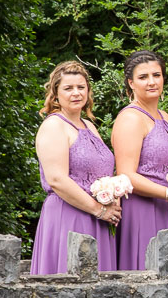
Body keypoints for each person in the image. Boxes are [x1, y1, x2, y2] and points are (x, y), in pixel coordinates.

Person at [29, 61, 120, 275]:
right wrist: (98, 210)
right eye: (68, 88)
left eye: (81, 87)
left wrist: (113, 195)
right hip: (68, 215)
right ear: (55, 94)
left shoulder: (89, 125)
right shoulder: (54, 125)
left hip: (98, 216)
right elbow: (57, 180)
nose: (76, 93)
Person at [111, 50, 168, 270]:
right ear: (130, 83)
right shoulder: (130, 118)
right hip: (143, 210)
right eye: (143, 77)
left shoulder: (165, 117)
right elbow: (126, 174)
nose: (151, 82)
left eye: (156, 75)